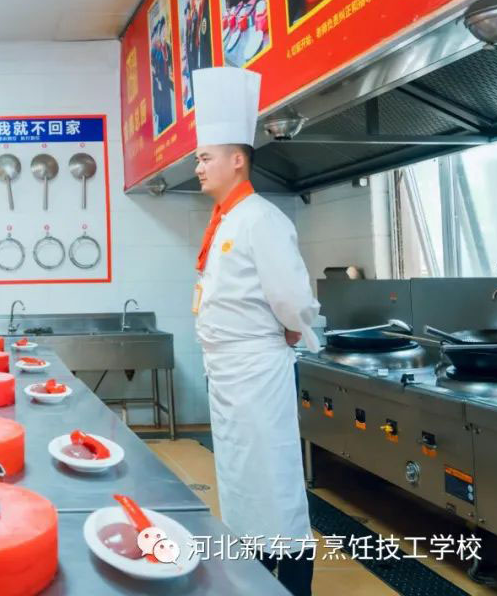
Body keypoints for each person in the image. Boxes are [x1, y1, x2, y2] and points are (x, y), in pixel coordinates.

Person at [190, 66, 319, 596]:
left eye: (205, 158)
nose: (198, 167)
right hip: (229, 376)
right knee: (242, 487)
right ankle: (255, 578)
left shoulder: (261, 218)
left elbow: (292, 299)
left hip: (258, 374)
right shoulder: (225, 219)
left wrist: (294, 331)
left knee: (274, 486)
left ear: (237, 160)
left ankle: (295, 585)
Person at [150, 16, 175, 134]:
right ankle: (162, 129)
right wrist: (156, 79)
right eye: (162, 30)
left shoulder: (167, 47)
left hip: (166, 82)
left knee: (168, 107)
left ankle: (169, 128)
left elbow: (171, 63)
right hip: (158, 85)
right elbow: (152, 68)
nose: (164, 32)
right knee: (161, 108)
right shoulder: (154, 50)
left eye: (165, 29)